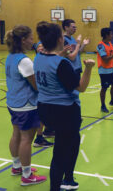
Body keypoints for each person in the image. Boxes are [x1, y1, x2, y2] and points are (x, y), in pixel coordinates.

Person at [34, 22, 95, 191]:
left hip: (45, 109)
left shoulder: (38, 57)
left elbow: (52, 58)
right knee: (60, 153)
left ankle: (68, 178)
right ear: (61, 39)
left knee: (73, 141)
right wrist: (89, 68)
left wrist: (63, 53)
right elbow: (81, 87)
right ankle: (56, 187)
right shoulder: (62, 64)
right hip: (64, 112)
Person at [5, 25, 47, 186]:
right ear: (23, 40)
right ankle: (27, 175)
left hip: (14, 103)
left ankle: (17, 166)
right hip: (26, 105)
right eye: (31, 38)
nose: (33, 41)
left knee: (16, 133)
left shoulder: (11, 56)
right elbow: (36, 86)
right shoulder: (24, 61)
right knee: (26, 139)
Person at [32, 21, 55, 148]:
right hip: (41, 86)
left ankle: (47, 131)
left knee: (46, 112)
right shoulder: (41, 49)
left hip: (44, 83)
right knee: (41, 113)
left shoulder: (46, 53)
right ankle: (39, 138)